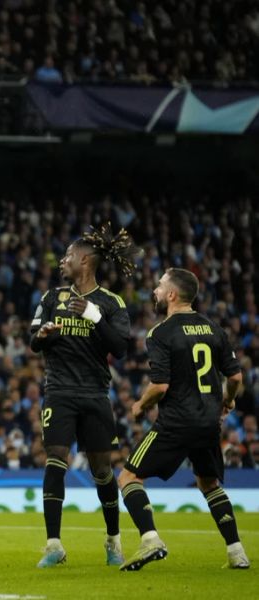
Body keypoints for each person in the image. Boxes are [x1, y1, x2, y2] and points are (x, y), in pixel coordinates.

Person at [117, 268, 250, 571]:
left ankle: (150, 539)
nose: (155, 291)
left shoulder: (160, 333)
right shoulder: (213, 328)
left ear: (172, 295)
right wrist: (227, 401)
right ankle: (236, 552)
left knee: (128, 478)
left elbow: (160, 386)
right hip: (208, 422)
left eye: (160, 286)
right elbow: (236, 376)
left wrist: (139, 404)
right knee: (209, 483)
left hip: (177, 421)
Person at [30, 223, 140, 568]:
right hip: (59, 391)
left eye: (68, 256)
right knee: (55, 459)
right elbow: (33, 341)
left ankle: (113, 540)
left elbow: (120, 348)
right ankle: (53, 545)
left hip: (94, 393)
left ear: (85, 262)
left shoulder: (110, 302)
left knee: (103, 471)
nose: (63, 261)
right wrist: (44, 334)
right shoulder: (51, 298)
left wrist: (94, 317)